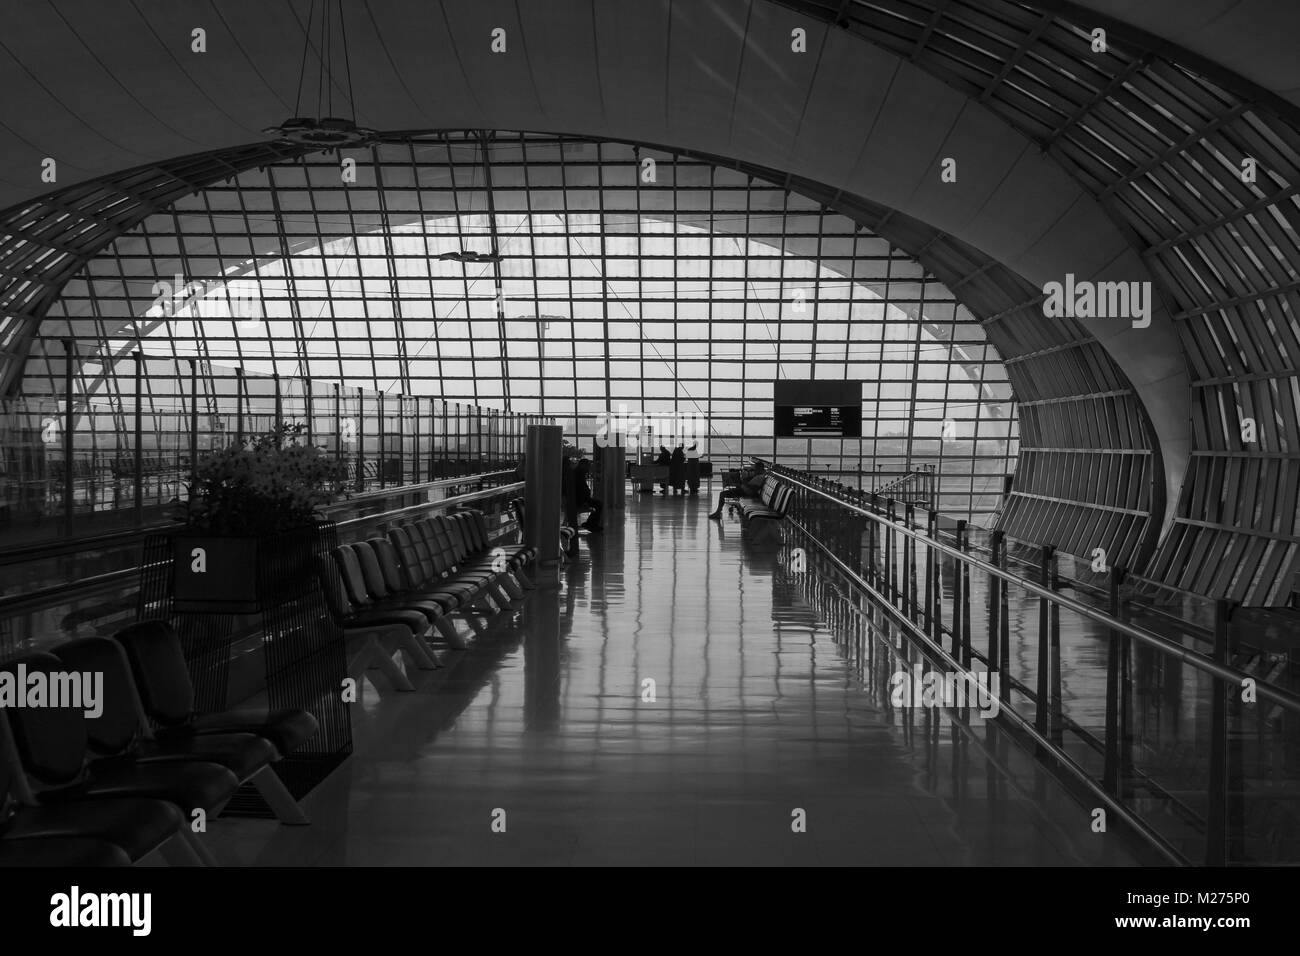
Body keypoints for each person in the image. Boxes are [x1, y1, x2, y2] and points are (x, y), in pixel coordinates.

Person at [573, 451, 603, 532]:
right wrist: (586, 499)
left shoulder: (577, 473)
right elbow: (582, 489)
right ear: (583, 466)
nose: (589, 468)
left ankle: (590, 524)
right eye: (588, 466)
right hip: (580, 500)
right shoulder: (580, 474)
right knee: (599, 505)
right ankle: (591, 524)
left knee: (598, 504)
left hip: (577, 498)